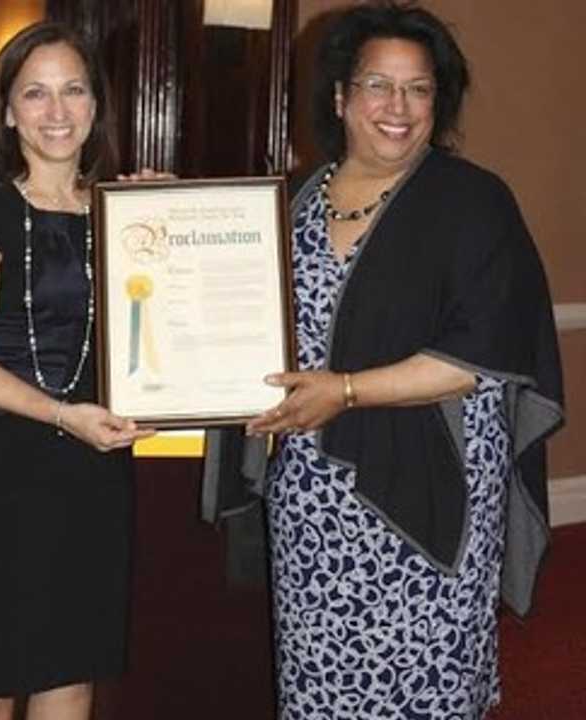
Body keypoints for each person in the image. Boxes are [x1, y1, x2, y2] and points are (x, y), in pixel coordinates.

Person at [239, 2, 564, 718]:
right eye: (378, 85)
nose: (399, 106)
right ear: (339, 96)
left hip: (430, 484)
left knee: (426, 684)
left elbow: (484, 356)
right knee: (319, 677)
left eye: (420, 88)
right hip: (312, 493)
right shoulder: (289, 202)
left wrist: (347, 391)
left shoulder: (472, 201)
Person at [0, 22, 153, 720]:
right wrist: (62, 415)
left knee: (71, 673)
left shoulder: (124, 213)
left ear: (96, 106)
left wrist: (173, 215)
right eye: (36, 93)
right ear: (7, 111)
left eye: (73, 91)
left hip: (92, 469)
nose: (57, 112)